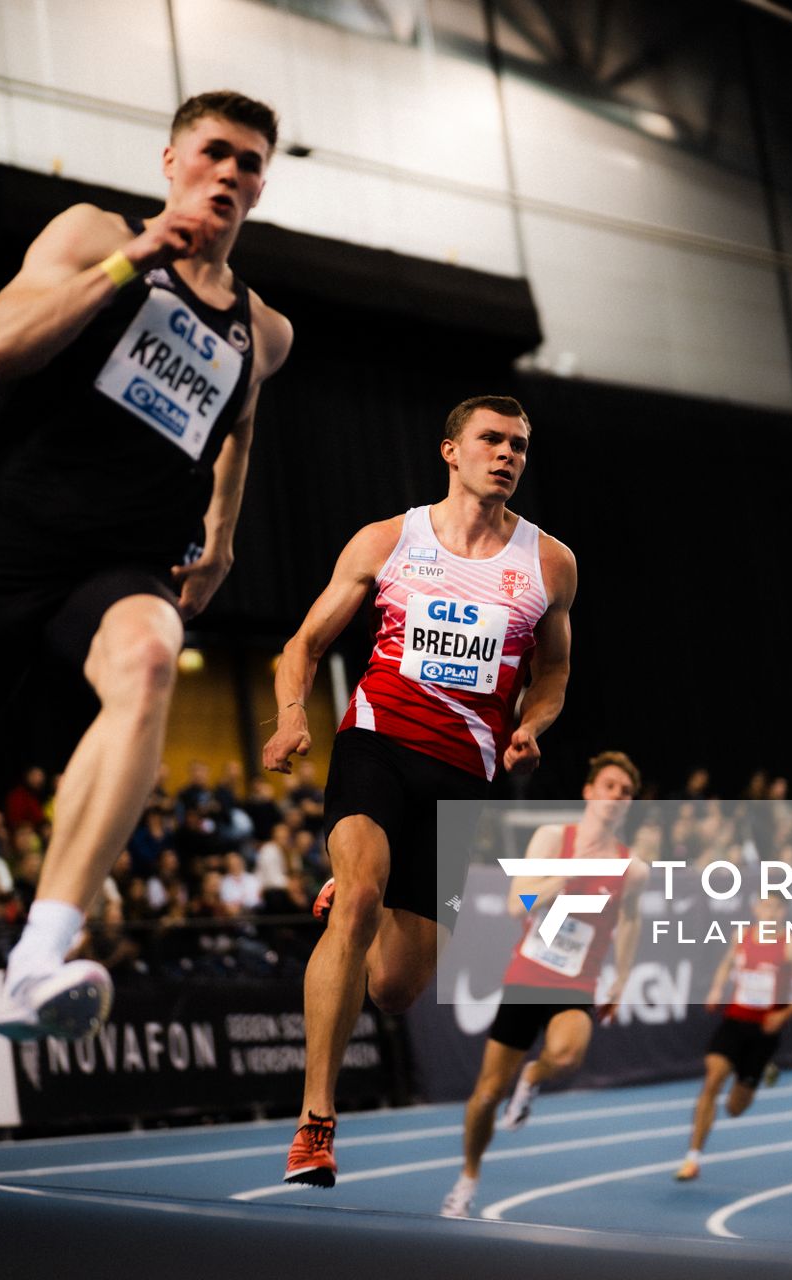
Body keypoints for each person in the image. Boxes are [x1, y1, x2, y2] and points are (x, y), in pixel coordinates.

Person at [0, 90, 292, 1041]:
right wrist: (136, 260)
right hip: (6, 551)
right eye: (216, 152)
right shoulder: (93, 234)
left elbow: (237, 430)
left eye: (251, 163)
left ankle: (38, 955)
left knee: (151, 660)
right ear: (171, 161)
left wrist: (224, 534)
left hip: (118, 565)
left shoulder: (266, 332)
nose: (232, 174)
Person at [262, 395, 575, 1187]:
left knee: (398, 989)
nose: (507, 454)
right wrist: (294, 713)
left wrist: (533, 723)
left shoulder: (549, 564)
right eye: (491, 440)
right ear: (450, 450)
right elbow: (302, 643)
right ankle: (315, 1123)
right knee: (361, 897)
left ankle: (367, 888)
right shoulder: (388, 540)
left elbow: (556, 669)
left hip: (467, 781)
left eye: (520, 445)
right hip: (377, 746)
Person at [442, 753, 644, 1218]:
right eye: (609, 786)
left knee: (570, 1054)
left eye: (626, 792)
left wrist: (623, 979)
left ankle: (533, 1076)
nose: (616, 797)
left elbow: (631, 921)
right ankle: (468, 1177)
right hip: (529, 975)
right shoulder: (554, 838)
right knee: (487, 1094)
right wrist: (566, 875)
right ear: (588, 792)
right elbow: (518, 902)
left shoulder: (631, 868)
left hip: (578, 981)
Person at [673, 891, 792, 1182]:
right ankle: (693, 1158)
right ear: (755, 909)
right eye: (765, 906)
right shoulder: (741, 936)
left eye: (777, 908)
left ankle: (762, 1069)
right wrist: (716, 988)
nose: (771, 912)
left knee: (735, 1108)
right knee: (712, 1080)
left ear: (784, 913)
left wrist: (784, 1014)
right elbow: (727, 964)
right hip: (735, 1022)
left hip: (764, 1032)